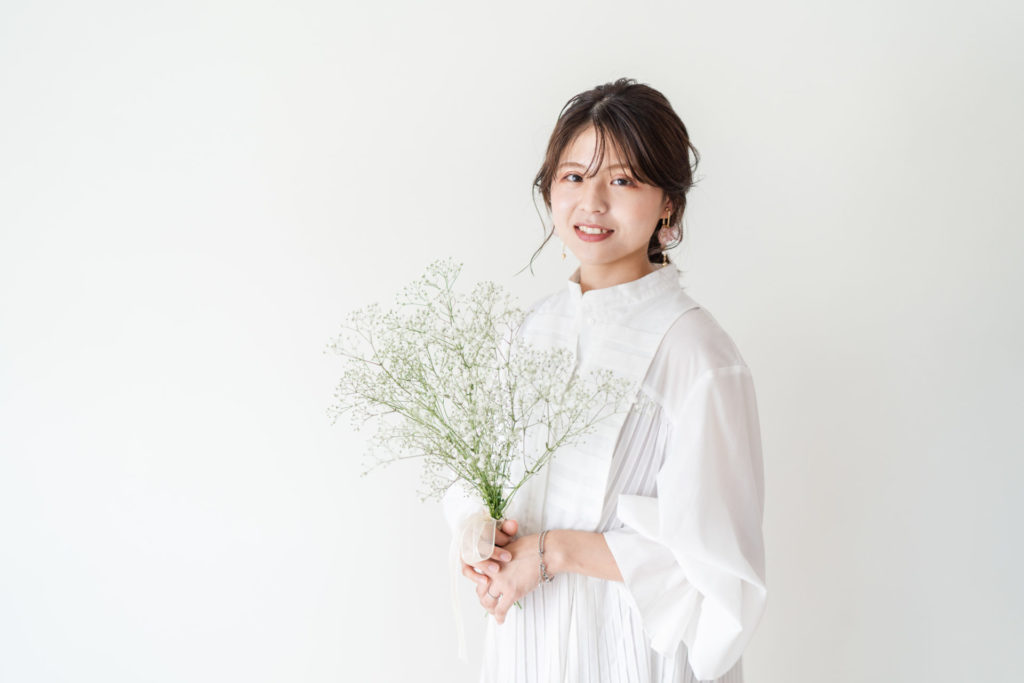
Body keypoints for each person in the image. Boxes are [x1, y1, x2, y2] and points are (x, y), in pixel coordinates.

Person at [442, 78, 767, 683]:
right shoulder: (524, 333)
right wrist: (477, 533)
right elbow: (469, 476)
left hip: (629, 658)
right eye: (573, 176)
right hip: (524, 652)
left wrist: (554, 551)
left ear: (668, 202)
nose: (591, 203)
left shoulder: (698, 355)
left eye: (622, 181)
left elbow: (720, 569)